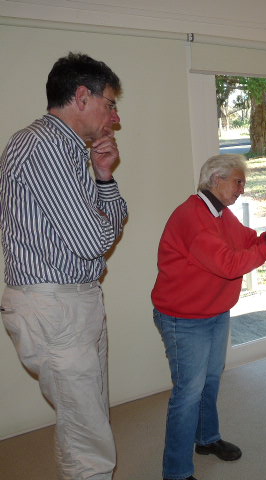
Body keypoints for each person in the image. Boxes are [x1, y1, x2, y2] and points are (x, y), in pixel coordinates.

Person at [0, 52, 127, 480]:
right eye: (110, 103)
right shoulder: (44, 146)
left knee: (88, 412)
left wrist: (104, 177)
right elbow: (93, 239)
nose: (115, 116)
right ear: (81, 96)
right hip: (55, 306)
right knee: (85, 432)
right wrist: (101, 221)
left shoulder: (74, 152)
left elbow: (115, 219)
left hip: (74, 300)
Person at [151, 153, 266, 480]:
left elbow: (246, 242)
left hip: (213, 312)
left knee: (210, 381)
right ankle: (175, 472)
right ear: (216, 179)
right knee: (188, 393)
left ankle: (206, 438)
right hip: (183, 319)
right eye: (238, 181)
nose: (242, 188)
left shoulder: (219, 214)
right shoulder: (193, 217)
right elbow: (229, 264)